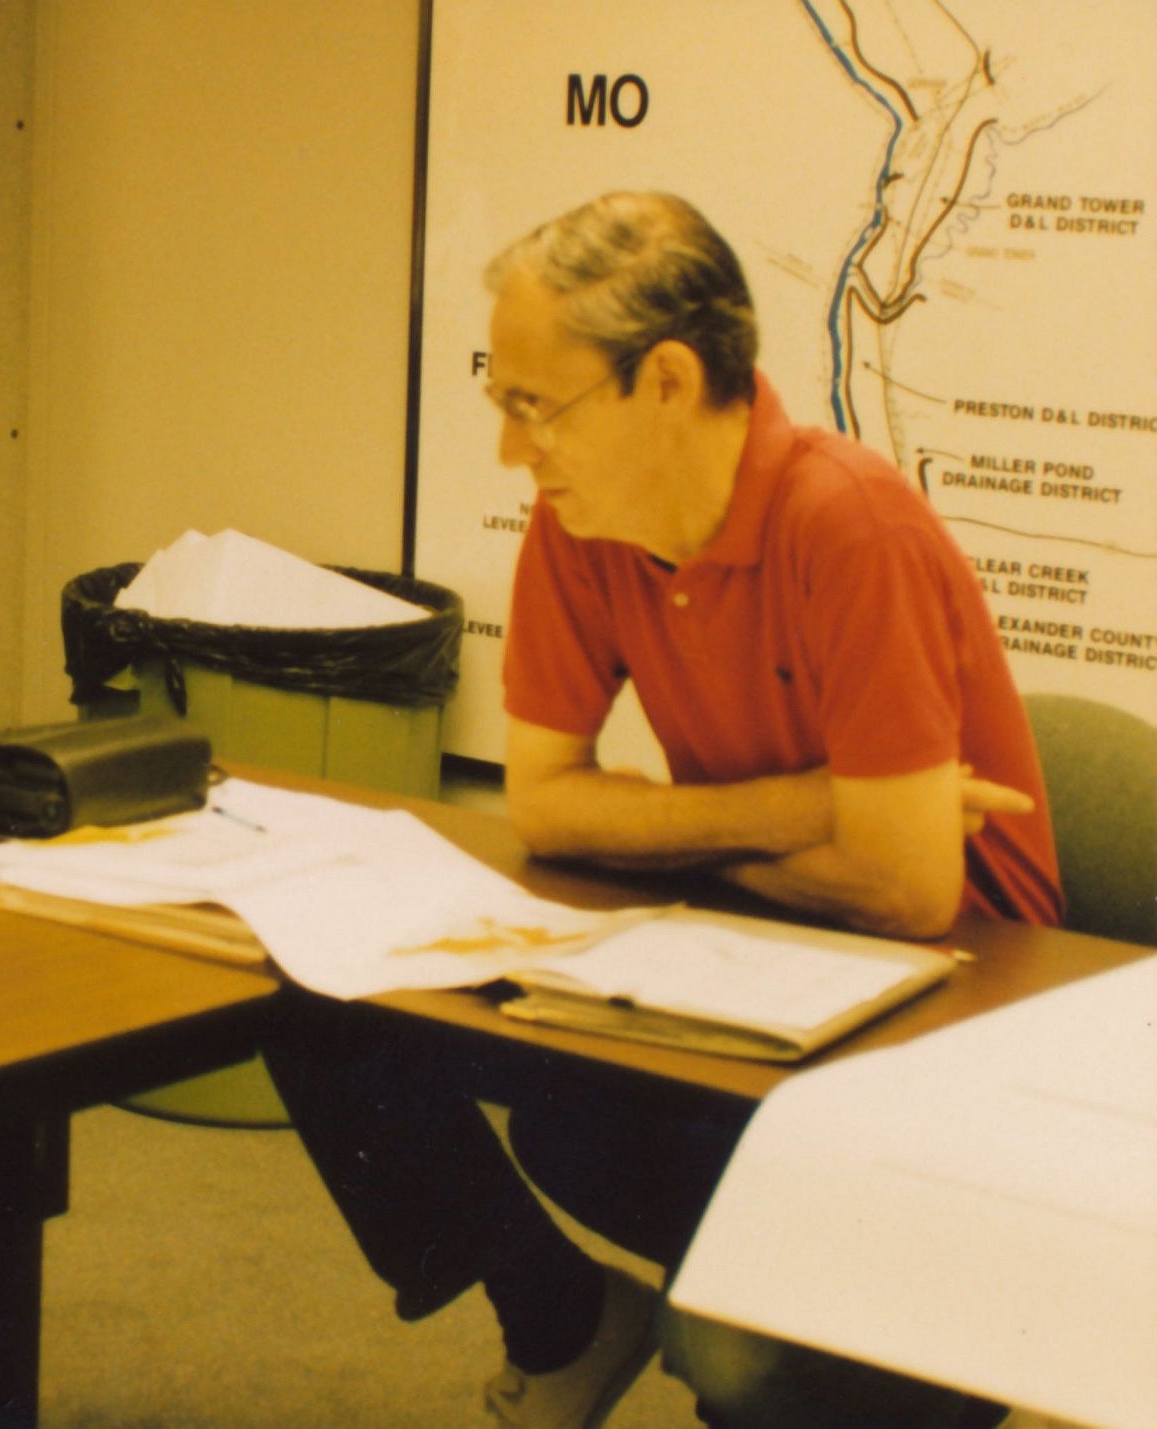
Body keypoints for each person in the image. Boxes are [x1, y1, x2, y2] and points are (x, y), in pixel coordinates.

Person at [264, 191, 1061, 1429]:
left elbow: (909, 892)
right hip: (743, 972)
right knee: (325, 1003)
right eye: (503, 404)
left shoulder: (845, 522)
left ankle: (864, 1332)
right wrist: (807, 809)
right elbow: (544, 802)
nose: (512, 450)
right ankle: (563, 1315)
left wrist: (673, 839)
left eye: (536, 406)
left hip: (944, 1034)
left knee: (732, 1350)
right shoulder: (585, 521)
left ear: (670, 381)